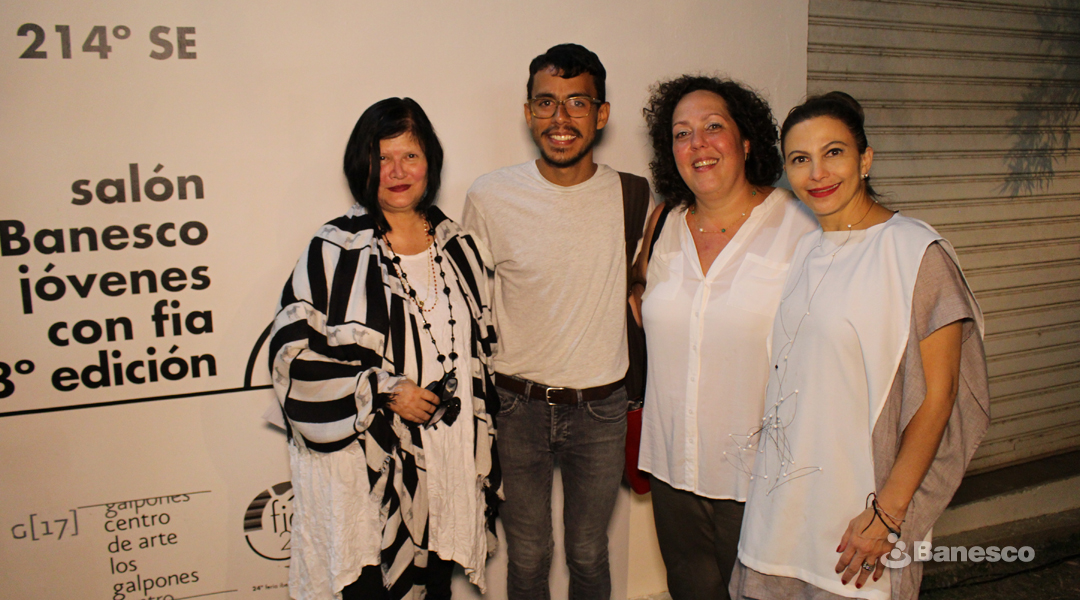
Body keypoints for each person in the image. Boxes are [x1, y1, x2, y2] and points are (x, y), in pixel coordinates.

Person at [730, 92, 990, 600]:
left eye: (834, 152)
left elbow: (940, 398)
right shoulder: (807, 249)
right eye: (800, 159)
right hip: (780, 513)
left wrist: (888, 514)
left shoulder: (914, 251)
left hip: (857, 522)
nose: (817, 173)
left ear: (865, 158)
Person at [269, 98, 500, 600]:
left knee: (436, 588)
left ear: (429, 162)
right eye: (383, 157)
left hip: (446, 462)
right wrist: (384, 389)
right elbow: (290, 360)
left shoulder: (459, 246)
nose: (397, 171)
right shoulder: (334, 248)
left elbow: (483, 350)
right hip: (365, 474)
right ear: (363, 165)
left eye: (410, 156)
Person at [462, 43, 649, 600]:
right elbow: (466, 301)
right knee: (528, 555)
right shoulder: (491, 195)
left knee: (588, 552)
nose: (560, 118)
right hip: (515, 406)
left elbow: (647, 285)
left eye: (577, 103)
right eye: (546, 103)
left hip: (602, 407)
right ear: (528, 112)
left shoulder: (633, 194)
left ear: (601, 114)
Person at [629, 76, 817, 600]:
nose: (698, 144)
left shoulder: (800, 223)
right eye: (681, 133)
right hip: (673, 468)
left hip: (761, 475)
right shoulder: (664, 222)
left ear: (747, 140)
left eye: (713, 127)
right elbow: (641, 291)